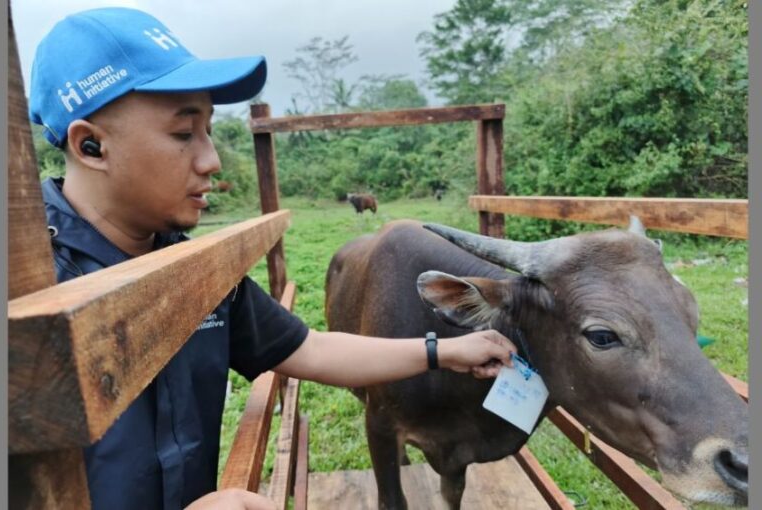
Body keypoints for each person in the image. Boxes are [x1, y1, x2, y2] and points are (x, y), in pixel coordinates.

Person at [28, 8, 517, 510]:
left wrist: (444, 352)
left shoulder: (199, 273)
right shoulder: (26, 291)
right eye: (183, 134)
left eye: (210, 130)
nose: (212, 159)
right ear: (91, 145)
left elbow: (311, 350)